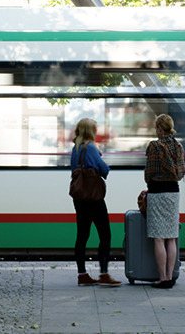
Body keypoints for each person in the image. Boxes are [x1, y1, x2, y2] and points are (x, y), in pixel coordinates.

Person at [70, 118, 121, 287]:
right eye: (95, 129)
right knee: (105, 234)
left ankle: (82, 274)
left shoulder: (75, 149)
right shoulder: (91, 147)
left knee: (82, 236)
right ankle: (104, 274)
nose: (97, 132)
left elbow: (73, 171)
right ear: (90, 131)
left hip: (80, 199)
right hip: (94, 199)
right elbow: (104, 170)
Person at [144, 114, 185, 289]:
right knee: (171, 237)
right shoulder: (178, 146)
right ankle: (170, 277)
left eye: (156, 128)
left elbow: (149, 172)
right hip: (173, 193)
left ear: (160, 129)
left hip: (157, 192)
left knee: (159, 238)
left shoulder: (154, 146)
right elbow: (182, 172)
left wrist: (151, 183)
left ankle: (162, 278)